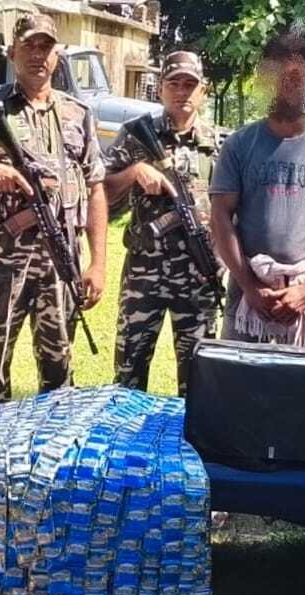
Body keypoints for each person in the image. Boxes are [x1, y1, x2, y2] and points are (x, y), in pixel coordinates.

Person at [0, 14, 108, 417]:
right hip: (4, 263)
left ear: (57, 55)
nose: (37, 55)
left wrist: (98, 263)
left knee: (59, 366)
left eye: (46, 47)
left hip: (60, 264)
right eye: (29, 46)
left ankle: (52, 441)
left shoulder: (77, 113)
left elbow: (96, 186)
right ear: (12, 52)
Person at [209, 24, 305, 348]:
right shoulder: (238, 145)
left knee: (302, 380)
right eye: (282, 65)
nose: (292, 73)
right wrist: (250, 286)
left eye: (304, 68)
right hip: (247, 298)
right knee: (239, 377)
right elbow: (220, 218)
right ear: (267, 76)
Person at [104, 51, 222, 395]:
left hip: (199, 276)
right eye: (174, 84)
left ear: (203, 91)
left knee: (200, 380)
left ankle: (192, 431)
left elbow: (232, 209)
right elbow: (102, 192)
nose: (182, 92)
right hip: (145, 274)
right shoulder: (135, 135)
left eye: (190, 85)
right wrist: (135, 172)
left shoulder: (218, 144)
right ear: (160, 89)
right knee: (128, 375)